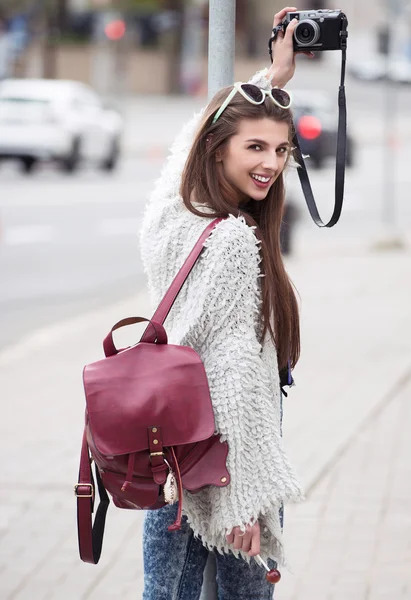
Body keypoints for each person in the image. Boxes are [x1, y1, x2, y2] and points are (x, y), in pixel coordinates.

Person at [140, 6, 311, 599]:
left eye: (282, 150)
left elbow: (193, 136)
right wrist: (243, 500)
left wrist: (273, 77)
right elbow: (234, 371)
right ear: (218, 150)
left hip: (169, 446)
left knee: (165, 593)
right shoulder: (234, 240)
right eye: (256, 147)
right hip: (231, 460)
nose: (271, 163)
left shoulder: (173, 214)